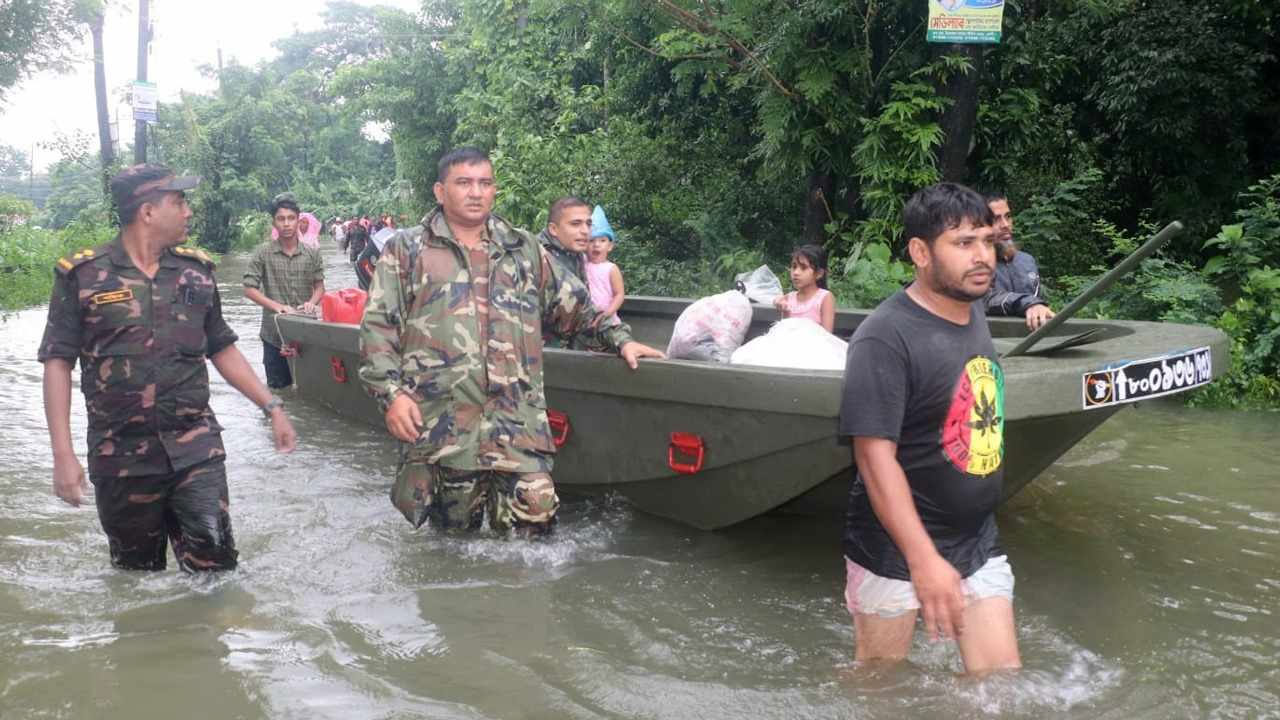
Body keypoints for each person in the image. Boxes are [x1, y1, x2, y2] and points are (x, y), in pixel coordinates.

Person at [359, 147, 665, 536]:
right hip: (444, 429)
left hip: (518, 427)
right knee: (452, 549)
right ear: (440, 191)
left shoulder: (523, 249)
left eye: (484, 183)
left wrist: (621, 341)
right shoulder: (407, 250)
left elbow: (576, 307)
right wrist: (391, 394)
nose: (475, 192)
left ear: (494, 190)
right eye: (464, 183)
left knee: (533, 542)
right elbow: (378, 328)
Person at [38, 164, 298, 572]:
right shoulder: (83, 277)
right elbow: (57, 362)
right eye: (179, 201)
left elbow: (222, 347)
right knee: (135, 580)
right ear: (147, 212)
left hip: (196, 448)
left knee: (216, 569)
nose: (188, 211)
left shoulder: (197, 273)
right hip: (120, 457)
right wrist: (62, 454)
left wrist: (272, 407)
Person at [839, 182, 1020, 673]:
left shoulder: (973, 309)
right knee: (881, 686)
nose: (982, 255)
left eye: (986, 240)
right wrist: (922, 560)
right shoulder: (884, 336)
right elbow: (873, 459)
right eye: (963, 244)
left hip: (977, 538)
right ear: (920, 252)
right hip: (895, 549)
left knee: (998, 691)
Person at [242, 192, 326, 390]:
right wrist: (277, 307)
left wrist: (312, 303)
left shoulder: (312, 253)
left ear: (298, 221)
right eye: (281, 219)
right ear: (274, 223)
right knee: (279, 392)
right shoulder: (263, 252)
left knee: (310, 391)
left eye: (291, 218)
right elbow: (249, 289)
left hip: (306, 332)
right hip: (273, 335)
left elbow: (320, 286)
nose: (286, 224)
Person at [984, 193, 1055, 331]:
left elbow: (1037, 307)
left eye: (1008, 217)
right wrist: (1029, 303)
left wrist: (1037, 308)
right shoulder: (974, 263)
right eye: (996, 219)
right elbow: (986, 299)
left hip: (1031, 342)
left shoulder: (1027, 261)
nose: (1005, 225)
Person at [773, 243, 835, 333]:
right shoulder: (790, 297)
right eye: (794, 267)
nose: (796, 272)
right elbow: (776, 301)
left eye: (803, 268)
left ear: (819, 274)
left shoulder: (824, 297)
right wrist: (777, 301)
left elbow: (827, 334)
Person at [585, 205, 624, 326]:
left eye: (602, 240)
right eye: (591, 240)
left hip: (607, 321)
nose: (597, 245)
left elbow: (619, 294)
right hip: (586, 319)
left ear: (610, 246)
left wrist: (608, 313)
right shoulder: (581, 264)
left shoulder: (611, 269)